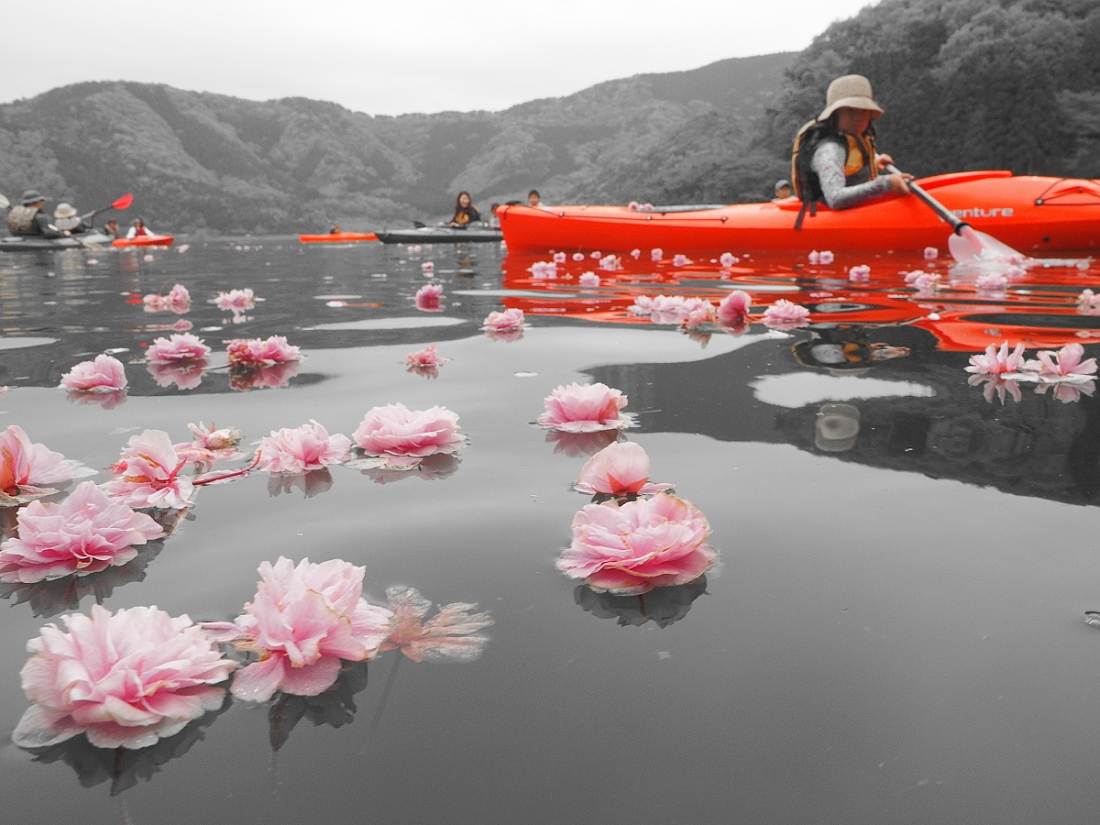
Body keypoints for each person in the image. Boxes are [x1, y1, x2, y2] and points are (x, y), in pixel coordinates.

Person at [791, 75, 912, 226]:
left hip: (854, 214)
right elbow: (835, 198)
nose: (858, 117)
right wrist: (885, 184)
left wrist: (874, 162)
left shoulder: (853, 137)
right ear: (835, 113)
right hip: (824, 219)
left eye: (863, 111)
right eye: (850, 110)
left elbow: (849, 165)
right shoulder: (830, 149)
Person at [6, 190, 70, 238]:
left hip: (17, 240)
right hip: (37, 241)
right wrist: (63, 234)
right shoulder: (40, 216)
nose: (42, 203)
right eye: (40, 201)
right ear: (35, 202)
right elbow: (48, 233)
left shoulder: (15, 214)